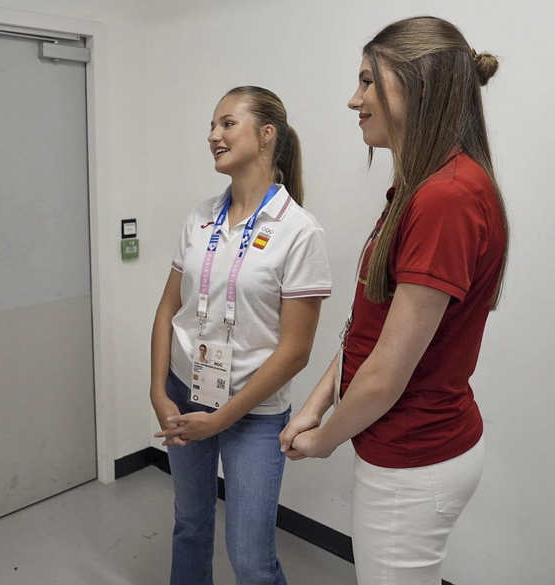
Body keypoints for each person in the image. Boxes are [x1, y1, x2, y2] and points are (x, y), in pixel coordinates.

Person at [279, 16, 508, 585]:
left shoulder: (447, 198)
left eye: (367, 82)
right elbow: (371, 329)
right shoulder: (425, 187)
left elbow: (385, 373)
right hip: (409, 449)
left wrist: (323, 441)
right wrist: (318, 401)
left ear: (418, 85)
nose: (353, 100)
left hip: (415, 459)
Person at [152, 86, 332, 585]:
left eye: (227, 123)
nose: (213, 135)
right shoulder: (200, 216)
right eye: (212, 126)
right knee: (189, 524)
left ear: (267, 134)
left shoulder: (299, 231)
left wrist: (222, 418)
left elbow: (297, 351)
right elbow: (170, 307)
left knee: (250, 558)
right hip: (183, 394)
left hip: (253, 414)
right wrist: (156, 392)